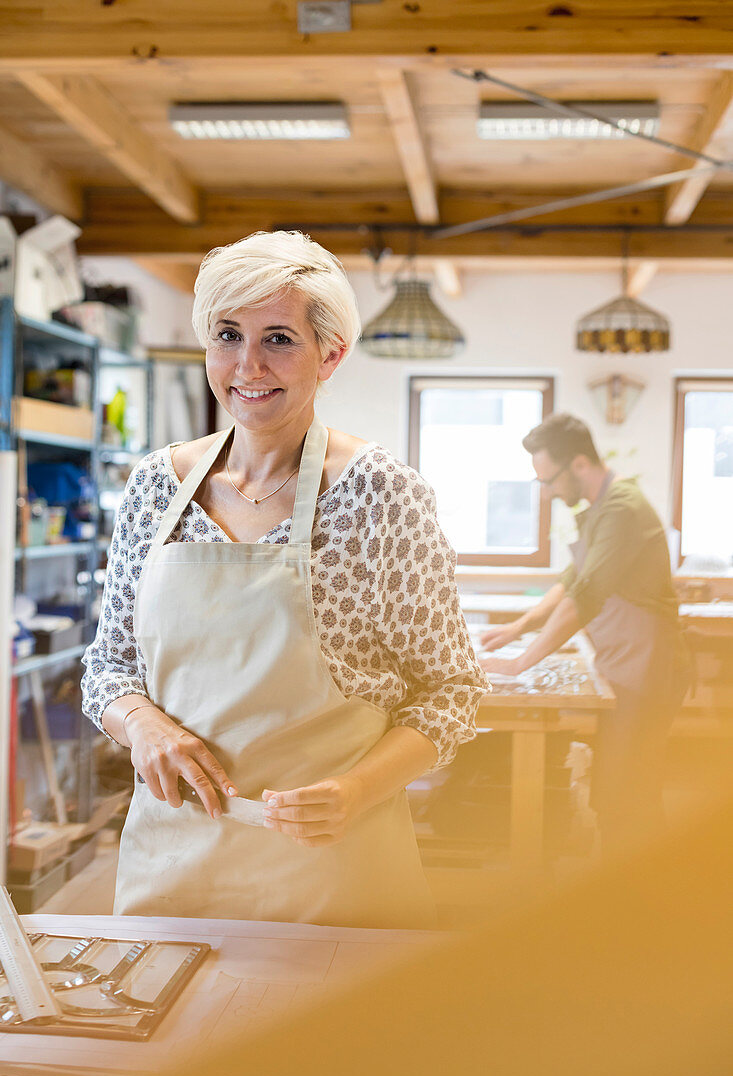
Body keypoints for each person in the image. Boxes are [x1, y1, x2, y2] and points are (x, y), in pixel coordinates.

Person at [81, 230, 486, 928]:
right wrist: (141, 726)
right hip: (174, 862)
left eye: (278, 339)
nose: (247, 365)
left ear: (330, 354)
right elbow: (108, 665)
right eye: (228, 334)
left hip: (333, 869)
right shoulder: (156, 485)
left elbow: (450, 693)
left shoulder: (381, 495)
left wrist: (356, 791)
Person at [479, 412, 690, 854]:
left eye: (549, 480)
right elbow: (571, 582)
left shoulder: (623, 508)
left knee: (630, 791)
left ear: (578, 464)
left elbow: (586, 596)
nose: (549, 493)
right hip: (626, 660)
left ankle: (647, 896)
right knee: (617, 785)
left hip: (648, 663)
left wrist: (521, 662)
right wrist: (518, 628)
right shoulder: (600, 509)